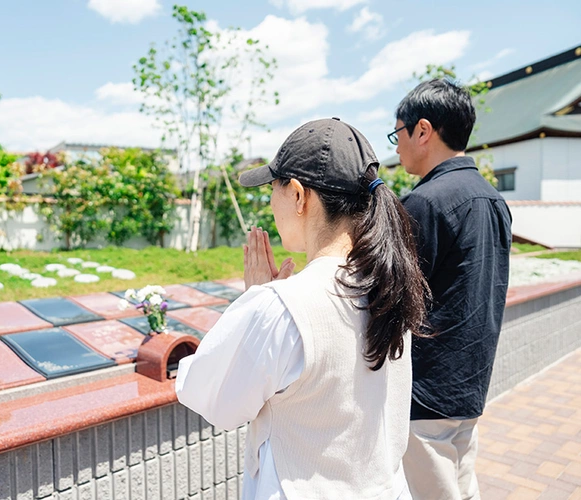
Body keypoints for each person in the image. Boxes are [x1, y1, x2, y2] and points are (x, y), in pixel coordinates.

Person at [175, 118, 431, 499]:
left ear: (298, 195)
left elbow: (208, 395)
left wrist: (255, 301)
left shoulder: (282, 307)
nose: (270, 203)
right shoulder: (389, 287)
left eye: (273, 190)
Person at [390, 79, 512, 500]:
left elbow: (390, 299)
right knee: (462, 486)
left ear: (423, 130)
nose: (397, 146)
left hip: (426, 393)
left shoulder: (424, 202)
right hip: (470, 383)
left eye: (398, 133)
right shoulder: (493, 199)